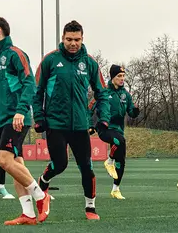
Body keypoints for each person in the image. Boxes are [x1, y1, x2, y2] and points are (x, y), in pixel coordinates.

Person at [33, 20, 110, 220]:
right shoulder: (50, 60)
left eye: (76, 39)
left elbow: (102, 93)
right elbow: (37, 92)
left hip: (80, 125)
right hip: (55, 124)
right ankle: (44, 179)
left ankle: (90, 207)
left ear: (82, 39)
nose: (73, 43)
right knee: (60, 164)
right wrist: (39, 117)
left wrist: (103, 118)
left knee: (86, 166)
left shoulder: (90, 63)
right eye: (69, 39)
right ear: (63, 39)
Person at [0, 17, 50, 225]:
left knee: (3, 160)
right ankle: (28, 214)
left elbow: (29, 83)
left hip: (16, 118)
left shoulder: (15, 54)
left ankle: (41, 196)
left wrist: (21, 111)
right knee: (15, 163)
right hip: (0, 120)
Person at [88, 64, 140, 200]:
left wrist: (135, 111)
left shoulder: (125, 95)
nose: (122, 79)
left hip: (118, 130)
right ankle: (109, 160)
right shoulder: (103, 92)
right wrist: (90, 125)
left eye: (123, 76)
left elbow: (131, 112)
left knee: (121, 161)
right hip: (104, 128)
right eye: (119, 76)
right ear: (112, 77)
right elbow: (89, 108)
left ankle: (115, 189)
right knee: (120, 141)